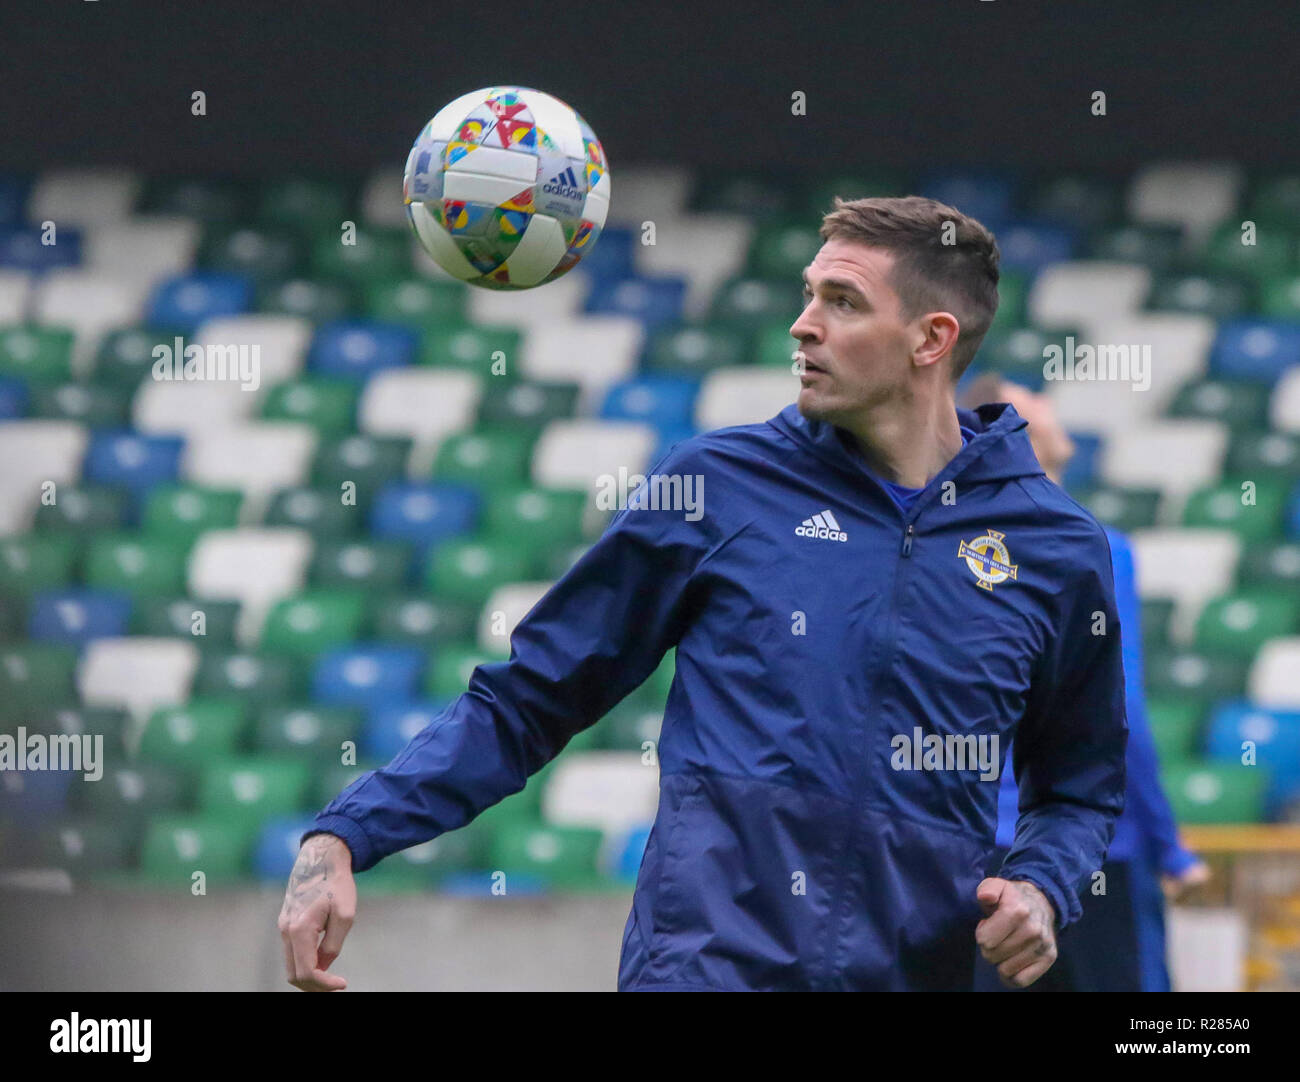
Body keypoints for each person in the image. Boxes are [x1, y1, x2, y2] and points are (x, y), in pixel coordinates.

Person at [278, 196, 1128, 992]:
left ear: (930, 338)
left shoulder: (1053, 549)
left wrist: (1042, 887)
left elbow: (1080, 788)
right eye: (808, 294)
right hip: (708, 970)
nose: (803, 325)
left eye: (842, 301)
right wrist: (347, 832)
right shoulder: (716, 487)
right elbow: (530, 697)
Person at [962, 375, 1209, 992]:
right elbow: (1117, 715)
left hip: (979, 852)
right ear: (1015, 432)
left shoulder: (955, 543)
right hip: (1087, 850)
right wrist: (1171, 847)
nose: (1048, 405)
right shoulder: (1087, 544)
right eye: (1030, 401)